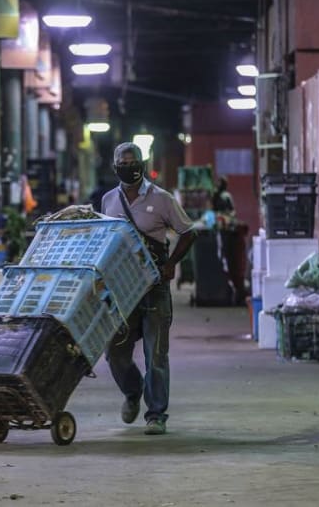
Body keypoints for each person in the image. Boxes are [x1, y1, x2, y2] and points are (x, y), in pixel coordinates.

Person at [101, 142, 197, 435]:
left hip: (154, 286)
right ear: (115, 166)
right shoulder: (108, 201)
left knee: (156, 353)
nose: (128, 166)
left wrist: (172, 265)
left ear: (142, 164)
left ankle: (156, 414)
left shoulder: (162, 198)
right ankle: (133, 392)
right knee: (115, 351)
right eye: (122, 162)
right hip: (121, 289)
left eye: (133, 161)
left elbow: (188, 232)